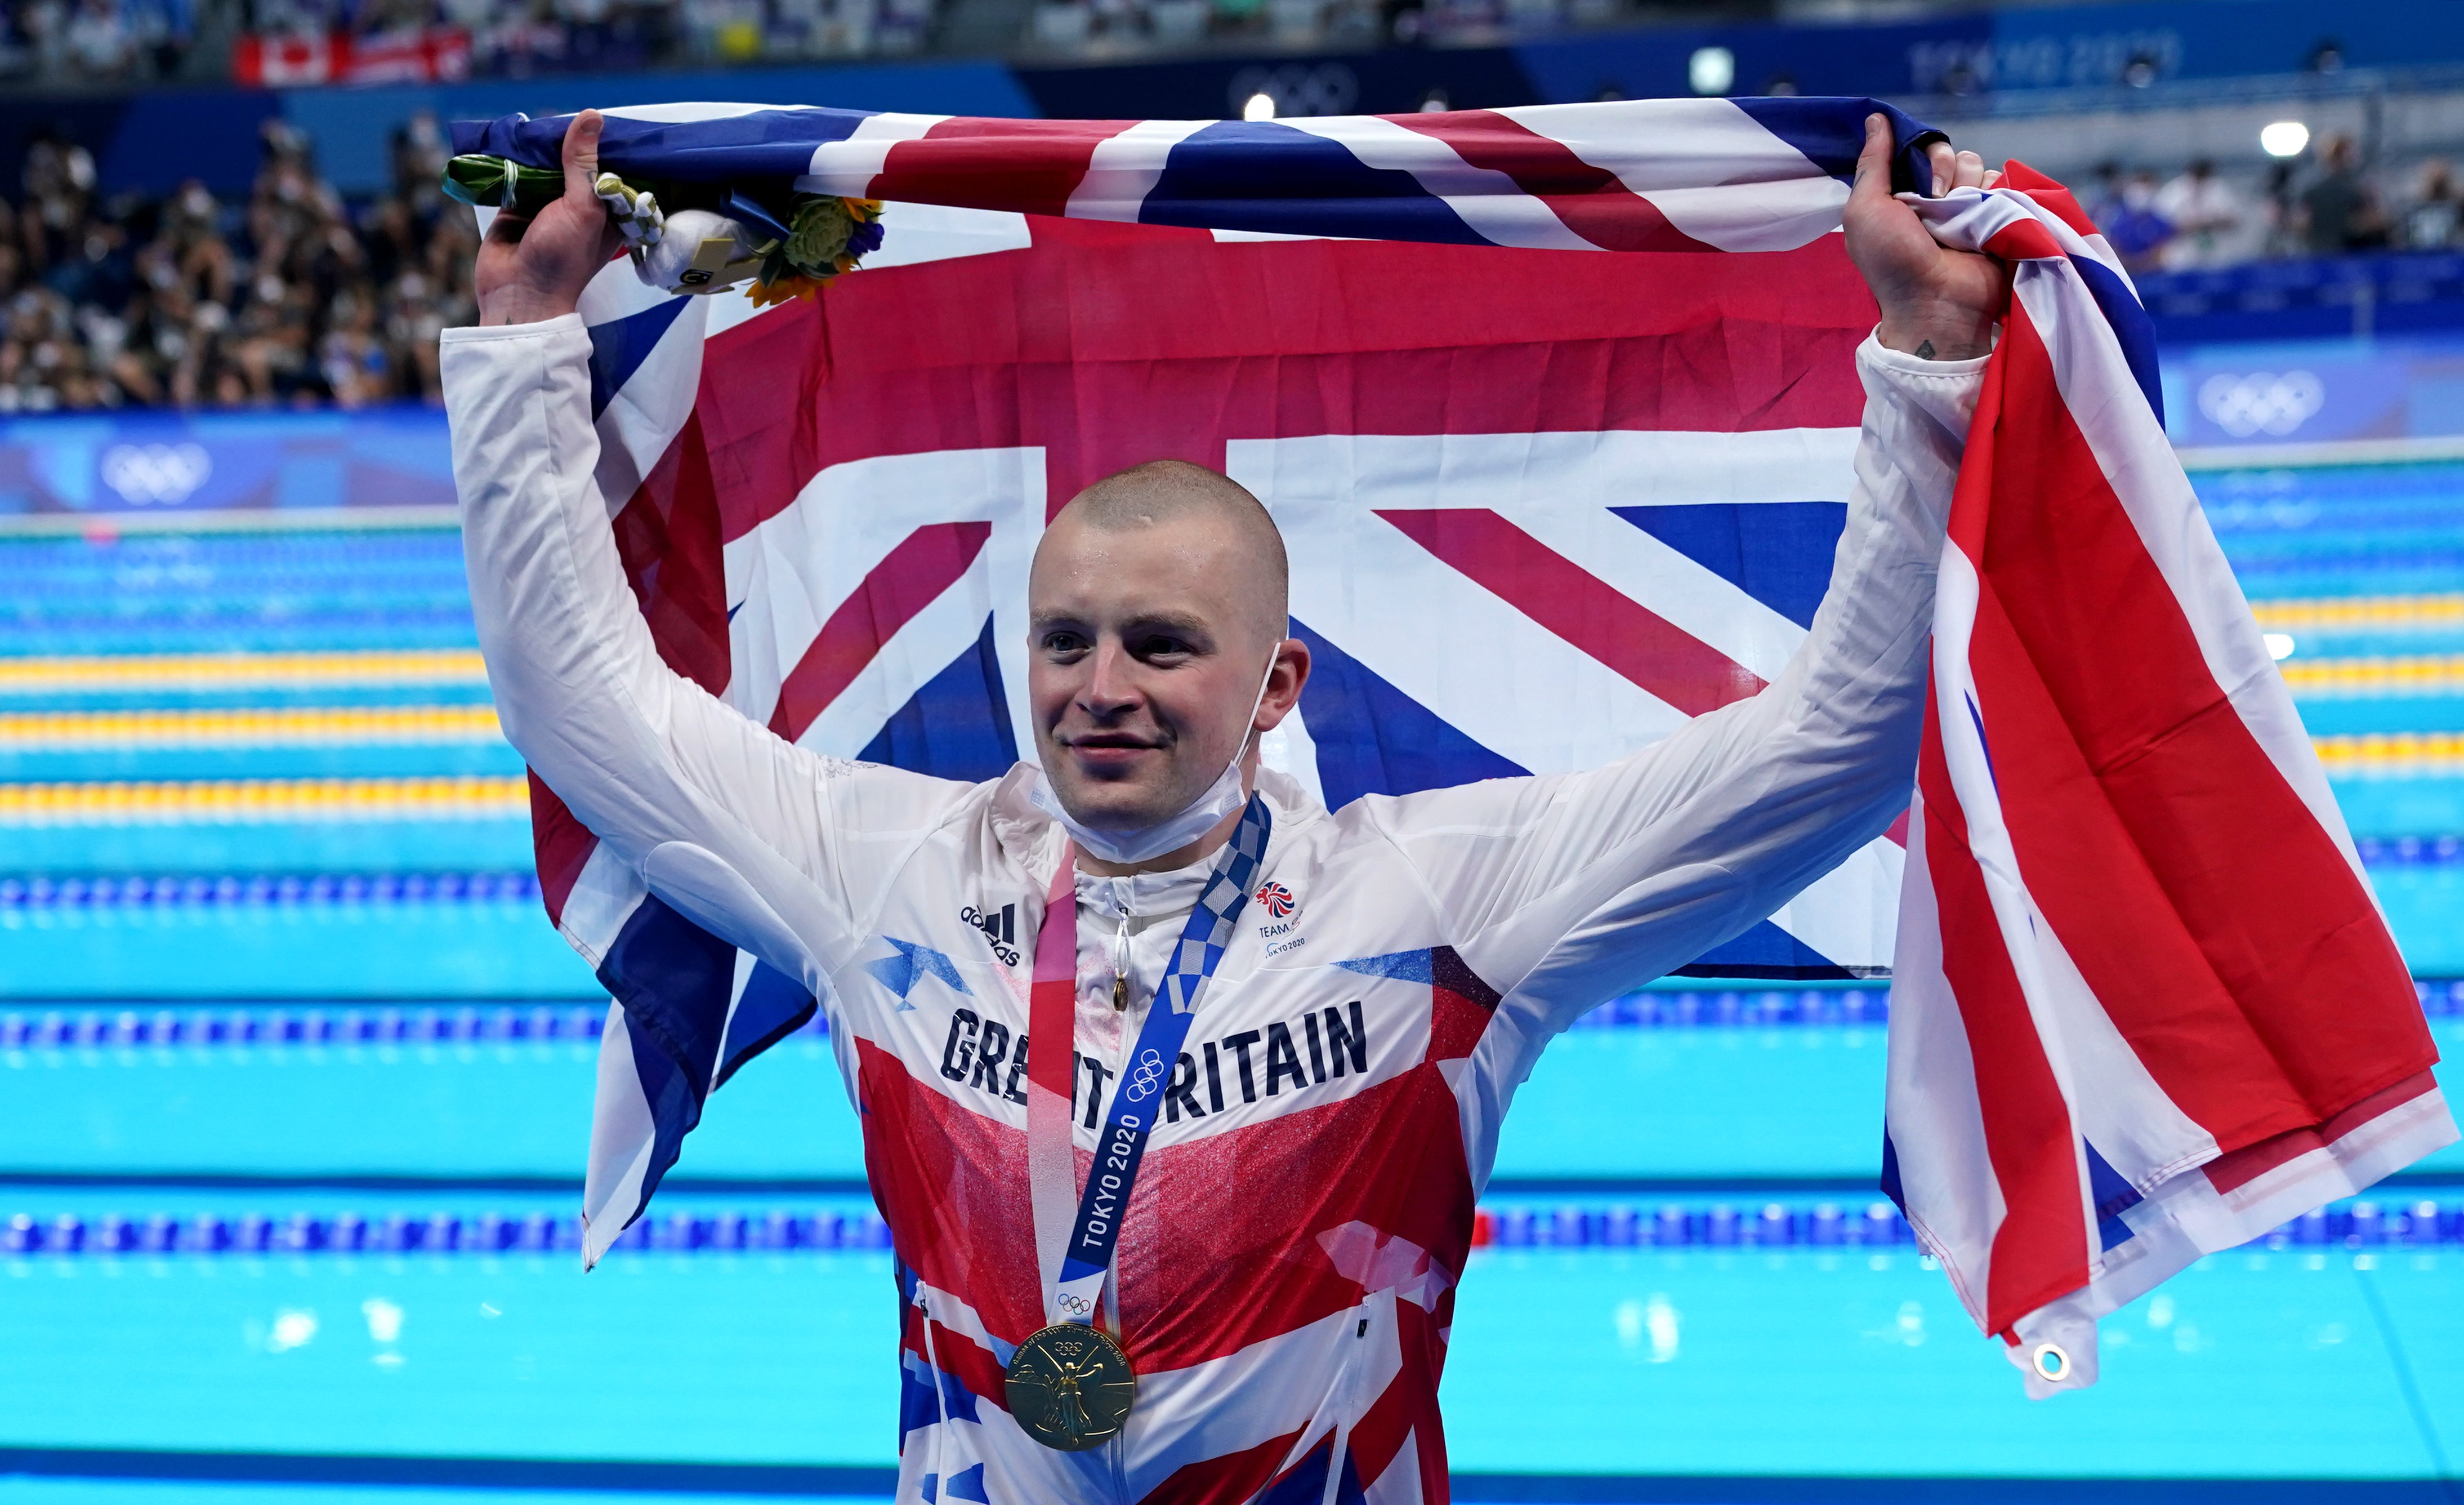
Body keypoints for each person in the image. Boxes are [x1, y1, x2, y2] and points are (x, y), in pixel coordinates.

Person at [445, 109, 2005, 1502]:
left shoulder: (1439, 907)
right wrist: (519, 334)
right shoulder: (888, 876)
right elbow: (586, 710)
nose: (1098, 687)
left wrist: (1928, 366)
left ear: (1278, 685)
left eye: (1162, 645)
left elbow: (1836, 746)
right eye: (1064, 640)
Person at [2153, 158, 2245, 269]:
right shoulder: (2174, 191)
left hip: (2217, 252)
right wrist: (2188, 226)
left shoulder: (2219, 189)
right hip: (2182, 254)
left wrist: (2209, 222)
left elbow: (2235, 220)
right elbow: (2159, 224)